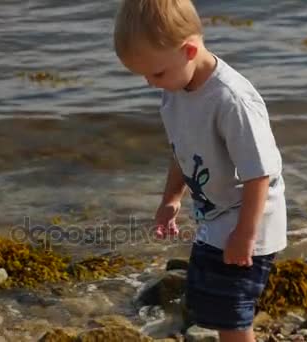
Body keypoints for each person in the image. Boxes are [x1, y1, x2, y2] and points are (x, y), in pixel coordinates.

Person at [113, 1, 287, 341]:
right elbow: (181, 150)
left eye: (157, 73)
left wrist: (245, 234)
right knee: (210, 302)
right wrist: (172, 198)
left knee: (233, 312)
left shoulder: (230, 100)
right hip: (214, 220)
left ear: (189, 50)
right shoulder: (175, 92)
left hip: (252, 220)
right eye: (144, 75)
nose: (151, 83)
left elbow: (258, 173)